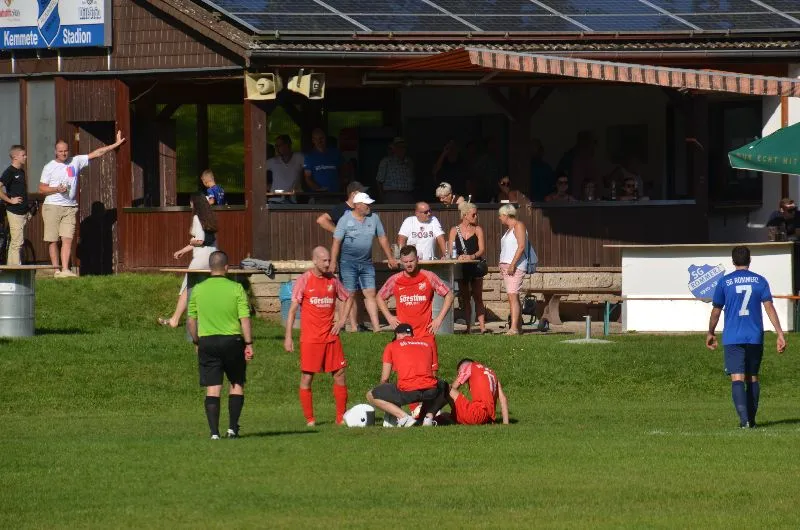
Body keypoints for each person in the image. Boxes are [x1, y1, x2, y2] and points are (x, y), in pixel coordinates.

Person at [707, 245, 786, 429]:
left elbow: (716, 311)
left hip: (733, 336)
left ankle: (745, 421)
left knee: (737, 377)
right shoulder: (760, 281)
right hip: (754, 336)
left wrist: (710, 332)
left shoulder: (724, 282)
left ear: (733, 261)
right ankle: (752, 420)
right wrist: (780, 333)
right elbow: (769, 307)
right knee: (752, 378)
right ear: (750, 260)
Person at [186, 250, 254, 440]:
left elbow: (191, 321)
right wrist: (249, 343)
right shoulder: (236, 288)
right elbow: (244, 319)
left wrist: (196, 340)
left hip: (207, 341)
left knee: (213, 387)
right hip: (232, 341)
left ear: (210, 268)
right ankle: (232, 429)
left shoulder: (199, 289)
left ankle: (214, 433)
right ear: (226, 267)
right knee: (236, 382)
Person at [284, 246, 354, 426]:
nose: (328, 264)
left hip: (331, 337)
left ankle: (340, 417)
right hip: (311, 339)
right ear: (314, 260)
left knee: (340, 374)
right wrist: (288, 337)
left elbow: (348, 297)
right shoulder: (304, 280)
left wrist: (342, 321)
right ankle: (310, 419)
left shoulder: (333, 280)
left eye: (329, 260)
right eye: (324, 260)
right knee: (307, 377)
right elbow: (292, 311)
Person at [39, 131, 126, 277]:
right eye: (60, 151)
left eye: (65, 150)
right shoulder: (49, 167)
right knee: (53, 240)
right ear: (55, 152)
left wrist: (115, 145)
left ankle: (65, 270)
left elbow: (97, 153)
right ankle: (56, 270)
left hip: (70, 207)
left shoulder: (76, 161)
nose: (63, 153)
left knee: (67, 238)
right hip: (52, 206)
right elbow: (41, 189)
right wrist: (56, 189)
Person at [331, 192, 397, 332]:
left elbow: (382, 238)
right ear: (358, 205)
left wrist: (390, 257)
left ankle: (376, 328)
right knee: (350, 294)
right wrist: (332, 262)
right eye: (367, 204)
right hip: (348, 263)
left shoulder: (374, 218)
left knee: (370, 293)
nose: (369, 206)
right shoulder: (345, 219)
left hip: (366, 262)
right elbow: (336, 241)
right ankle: (351, 326)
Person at [376, 245, 454, 359]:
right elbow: (379, 297)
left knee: (429, 368)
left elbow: (449, 295)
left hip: (425, 334)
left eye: (411, 261)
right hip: (403, 335)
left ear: (417, 259)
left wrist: (439, 319)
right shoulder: (395, 280)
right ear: (401, 262)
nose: (408, 264)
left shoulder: (429, 277)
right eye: (405, 262)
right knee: (405, 368)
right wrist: (389, 317)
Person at [366, 323, 450, 427]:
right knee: (444, 386)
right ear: (411, 335)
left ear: (398, 335)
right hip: (430, 391)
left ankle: (404, 418)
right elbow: (433, 374)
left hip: (407, 391)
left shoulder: (391, 345)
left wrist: (386, 395)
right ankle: (428, 418)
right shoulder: (427, 344)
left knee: (370, 395)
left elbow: (384, 379)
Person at [159, 192, 218, 328]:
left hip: (201, 258)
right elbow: (207, 241)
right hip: (213, 256)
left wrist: (192, 241)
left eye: (191, 202)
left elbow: (200, 241)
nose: (190, 204)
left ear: (195, 203)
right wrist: (182, 250)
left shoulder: (197, 218)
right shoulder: (209, 218)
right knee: (205, 288)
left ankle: (174, 320)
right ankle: (209, 319)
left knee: (187, 287)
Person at [448, 202, 487, 334]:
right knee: (465, 298)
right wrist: (458, 257)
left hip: (475, 265)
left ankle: (482, 327)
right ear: (465, 215)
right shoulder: (454, 230)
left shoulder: (478, 229)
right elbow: (451, 250)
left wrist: (472, 256)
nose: (476, 217)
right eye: (473, 214)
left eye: (476, 214)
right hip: (461, 267)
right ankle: (468, 327)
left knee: (478, 296)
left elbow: (481, 249)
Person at [497, 204, 529, 335]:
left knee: (513, 296)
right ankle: (518, 327)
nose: (499, 218)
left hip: (515, 267)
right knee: (512, 296)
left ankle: (514, 328)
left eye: (500, 215)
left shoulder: (518, 226)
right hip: (507, 266)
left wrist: (512, 264)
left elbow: (521, 246)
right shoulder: (509, 230)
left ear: (505, 215)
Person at [448, 358, 509, 425]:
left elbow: (453, 387)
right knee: (446, 415)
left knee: (445, 387)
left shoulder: (469, 366)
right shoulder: (492, 373)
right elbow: (503, 399)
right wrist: (506, 423)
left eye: (459, 373)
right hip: (487, 419)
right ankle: (454, 415)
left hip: (477, 414)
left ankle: (450, 414)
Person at [0, 145, 28, 265]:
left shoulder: (21, 171)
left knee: (17, 242)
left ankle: (13, 268)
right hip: (14, 211)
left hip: (22, 211)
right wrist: (10, 200)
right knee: (17, 242)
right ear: (15, 157)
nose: (25, 157)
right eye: (23, 155)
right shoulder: (9, 172)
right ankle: (15, 270)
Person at [376, 137, 414, 204]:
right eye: (399, 147)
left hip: (408, 195)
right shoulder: (386, 161)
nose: (402, 149)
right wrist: (382, 198)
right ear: (394, 148)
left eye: (404, 147)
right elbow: (379, 181)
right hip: (392, 196)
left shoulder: (409, 161)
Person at [267, 134, 304, 203]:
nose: (277, 148)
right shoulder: (272, 161)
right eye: (276, 146)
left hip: (293, 201)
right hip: (275, 200)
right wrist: (264, 185)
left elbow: (311, 169)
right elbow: (256, 170)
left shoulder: (300, 157)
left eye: (279, 145)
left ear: (288, 145)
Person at [304, 128, 343, 193]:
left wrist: (341, 184)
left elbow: (344, 170)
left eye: (321, 138)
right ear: (313, 140)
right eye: (316, 139)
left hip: (336, 193)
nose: (319, 141)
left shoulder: (336, 153)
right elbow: (308, 178)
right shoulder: (309, 157)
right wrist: (320, 190)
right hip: (318, 195)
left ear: (325, 138)